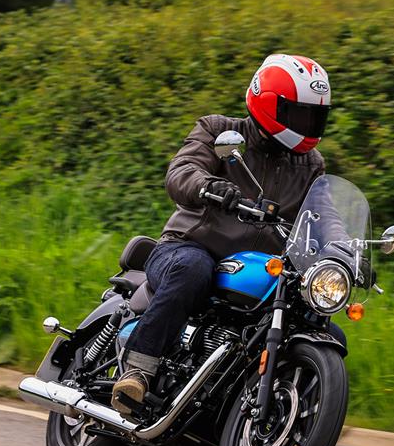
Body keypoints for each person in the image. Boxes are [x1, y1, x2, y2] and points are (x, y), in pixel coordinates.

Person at [112, 53, 334, 415]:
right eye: (298, 114)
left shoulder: (311, 164)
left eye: (314, 116)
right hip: (191, 247)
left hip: (262, 267)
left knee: (322, 324)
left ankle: (285, 421)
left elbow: (325, 213)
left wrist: (343, 250)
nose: (307, 124)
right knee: (192, 270)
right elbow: (182, 170)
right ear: (267, 103)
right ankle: (139, 368)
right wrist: (210, 187)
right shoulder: (219, 130)